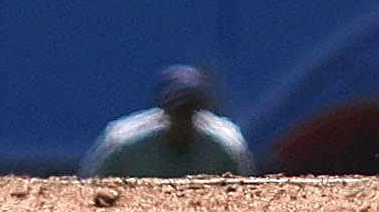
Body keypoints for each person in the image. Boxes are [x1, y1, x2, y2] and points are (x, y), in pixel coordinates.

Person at [79, 63, 255, 179]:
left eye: (189, 109)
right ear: (163, 108)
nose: (182, 116)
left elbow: (244, 193)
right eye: (177, 108)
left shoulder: (225, 145)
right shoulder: (123, 144)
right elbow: (91, 187)